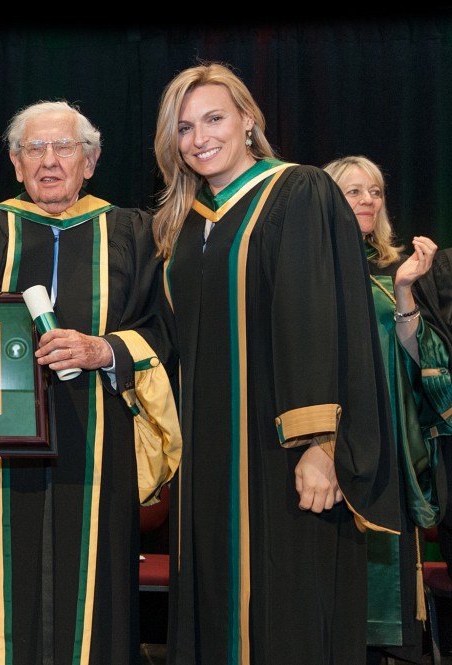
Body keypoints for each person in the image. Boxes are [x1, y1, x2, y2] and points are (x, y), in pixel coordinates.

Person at [151, 62, 402, 664]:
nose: (200, 138)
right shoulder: (183, 224)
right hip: (206, 458)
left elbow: (317, 319)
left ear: (249, 121)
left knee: (287, 606)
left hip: (280, 453)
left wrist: (319, 445)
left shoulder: (298, 191)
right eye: (184, 128)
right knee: (212, 599)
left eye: (214, 119)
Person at [0, 100, 180, 664]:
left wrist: (103, 349)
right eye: (34, 149)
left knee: (95, 596)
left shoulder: (132, 232)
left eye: (64, 147)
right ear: (16, 165)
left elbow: (162, 335)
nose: (49, 161)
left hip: (99, 445)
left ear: (89, 162)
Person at [325, 155, 452, 664]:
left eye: (374, 192)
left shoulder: (396, 272)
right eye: (354, 191)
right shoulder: (307, 265)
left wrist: (403, 291)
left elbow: (429, 364)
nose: (368, 201)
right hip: (325, 441)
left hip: (387, 443)